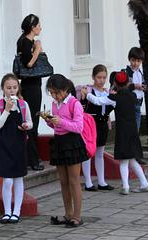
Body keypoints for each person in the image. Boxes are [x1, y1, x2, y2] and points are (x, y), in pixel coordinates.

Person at [85, 71, 148, 195]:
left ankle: (125, 187)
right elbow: (130, 90)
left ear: (115, 83)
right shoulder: (133, 96)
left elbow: (97, 101)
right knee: (132, 159)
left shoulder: (114, 98)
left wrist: (88, 93)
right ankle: (144, 183)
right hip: (133, 132)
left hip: (122, 132)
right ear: (127, 82)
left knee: (123, 161)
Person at [45, 74, 88, 228]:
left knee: (74, 181)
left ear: (64, 89)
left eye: (56, 92)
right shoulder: (54, 104)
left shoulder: (74, 103)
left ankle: (77, 216)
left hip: (72, 143)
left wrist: (60, 121)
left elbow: (78, 127)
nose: (54, 96)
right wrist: (49, 121)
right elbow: (57, 126)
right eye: (51, 92)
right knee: (63, 181)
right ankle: (68, 213)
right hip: (59, 142)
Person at [0, 74, 33, 224]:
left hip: (18, 143)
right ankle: (7, 211)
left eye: (14, 87)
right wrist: (7, 110)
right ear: (3, 89)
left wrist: (26, 126)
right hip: (3, 145)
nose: (12, 90)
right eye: (8, 88)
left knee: (18, 178)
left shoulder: (23, 104)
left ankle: (17, 211)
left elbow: (30, 122)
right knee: (7, 180)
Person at [16, 14, 44, 171]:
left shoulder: (27, 41)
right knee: (32, 120)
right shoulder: (25, 42)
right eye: (38, 25)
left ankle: (31, 157)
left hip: (32, 85)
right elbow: (29, 64)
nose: (40, 28)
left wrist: (37, 46)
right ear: (32, 27)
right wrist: (38, 48)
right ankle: (33, 160)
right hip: (31, 86)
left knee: (33, 119)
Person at [80, 65, 114, 191]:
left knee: (100, 153)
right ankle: (88, 182)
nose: (101, 80)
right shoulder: (88, 91)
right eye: (99, 77)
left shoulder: (106, 92)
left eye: (104, 77)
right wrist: (84, 97)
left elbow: (109, 108)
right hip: (90, 125)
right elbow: (83, 106)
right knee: (89, 153)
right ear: (93, 77)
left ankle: (102, 181)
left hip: (102, 124)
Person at [126, 47, 147, 165]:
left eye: (138, 61)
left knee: (136, 131)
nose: (135, 63)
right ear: (130, 59)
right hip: (131, 103)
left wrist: (144, 87)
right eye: (133, 60)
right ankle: (134, 155)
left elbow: (143, 84)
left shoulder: (139, 72)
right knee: (132, 130)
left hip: (138, 104)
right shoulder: (126, 72)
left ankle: (135, 155)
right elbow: (125, 86)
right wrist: (135, 86)